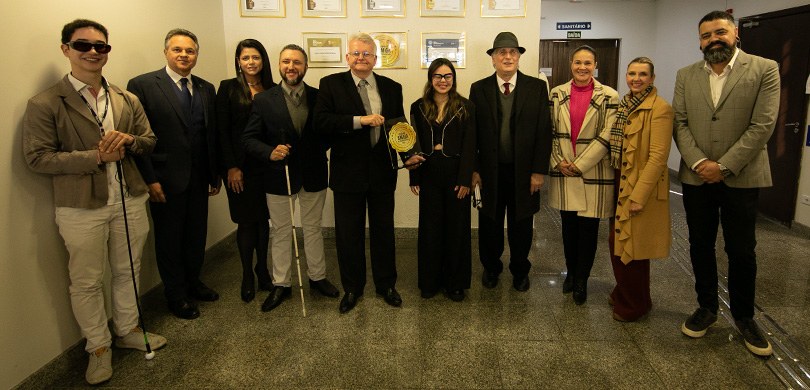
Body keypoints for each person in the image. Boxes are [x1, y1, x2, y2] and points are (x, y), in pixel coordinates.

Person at [22, 19, 167, 384]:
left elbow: (149, 140)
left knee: (128, 269)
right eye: (83, 45)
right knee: (86, 280)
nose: (92, 52)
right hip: (81, 205)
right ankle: (98, 348)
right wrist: (96, 158)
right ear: (65, 49)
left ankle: (128, 329)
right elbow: (37, 158)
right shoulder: (45, 103)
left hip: (129, 197)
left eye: (100, 46)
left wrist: (129, 141)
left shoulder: (124, 98)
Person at [673, 10, 779, 357]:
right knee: (700, 244)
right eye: (706, 35)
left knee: (741, 249)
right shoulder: (686, 75)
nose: (713, 40)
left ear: (735, 34)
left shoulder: (764, 69)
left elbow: (763, 125)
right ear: (700, 40)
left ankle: (745, 317)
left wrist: (725, 166)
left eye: (720, 32)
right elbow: (681, 123)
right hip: (696, 176)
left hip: (742, 176)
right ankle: (706, 308)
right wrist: (702, 163)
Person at [127, 28, 222, 320]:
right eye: (178, 50)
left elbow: (210, 135)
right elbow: (137, 137)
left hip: (198, 176)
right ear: (166, 51)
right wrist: (150, 179)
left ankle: (193, 282)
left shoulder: (206, 88)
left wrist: (213, 174)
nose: (184, 55)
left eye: (190, 51)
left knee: (196, 235)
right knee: (169, 239)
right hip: (164, 179)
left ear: (196, 54)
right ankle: (176, 295)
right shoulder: (142, 86)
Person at [243, 44, 340, 312]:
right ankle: (281, 283)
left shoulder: (320, 97)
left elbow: (329, 131)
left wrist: (316, 147)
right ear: (278, 65)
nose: (291, 67)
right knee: (282, 231)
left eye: (297, 62)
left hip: (313, 174)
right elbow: (249, 138)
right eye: (286, 61)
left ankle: (318, 277)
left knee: (313, 229)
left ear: (305, 66)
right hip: (278, 177)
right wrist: (270, 152)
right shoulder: (264, 100)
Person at [314, 33, 405, 313]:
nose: (361, 58)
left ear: (375, 59)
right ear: (347, 58)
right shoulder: (330, 85)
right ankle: (353, 288)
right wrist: (359, 121)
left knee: (383, 232)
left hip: (382, 172)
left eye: (367, 54)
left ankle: (386, 285)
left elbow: (398, 125)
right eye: (356, 54)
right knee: (348, 234)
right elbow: (321, 122)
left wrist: (410, 154)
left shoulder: (392, 86)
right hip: (347, 173)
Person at [469, 32, 552, 293]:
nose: (507, 57)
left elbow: (543, 131)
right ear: (493, 59)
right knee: (490, 224)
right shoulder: (478, 88)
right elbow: (472, 133)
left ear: (518, 57)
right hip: (489, 172)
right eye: (502, 53)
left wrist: (539, 171)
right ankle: (491, 268)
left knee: (521, 224)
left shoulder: (536, 88)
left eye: (513, 52)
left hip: (525, 173)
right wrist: (473, 169)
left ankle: (519, 270)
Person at [548, 45, 619, 305]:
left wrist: (580, 164)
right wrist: (558, 162)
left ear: (595, 65)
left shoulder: (610, 96)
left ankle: (581, 280)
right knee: (568, 229)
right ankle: (571, 273)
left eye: (587, 63)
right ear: (571, 65)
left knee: (588, 231)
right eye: (578, 62)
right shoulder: (557, 93)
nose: (582, 67)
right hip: (564, 170)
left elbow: (608, 135)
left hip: (594, 172)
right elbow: (550, 132)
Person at [404, 58, 476, 302]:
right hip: (429, 172)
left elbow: (470, 145)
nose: (443, 81)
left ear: (453, 79)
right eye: (437, 76)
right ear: (430, 78)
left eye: (447, 76)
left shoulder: (466, 106)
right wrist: (414, 174)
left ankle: (455, 283)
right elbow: (412, 143)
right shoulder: (418, 106)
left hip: (456, 172)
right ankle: (430, 281)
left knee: (457, 229)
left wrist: (466, 179)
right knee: (430, 229)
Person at [608, 57, 673, 321]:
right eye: (632, 73)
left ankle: (635, 304)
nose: (636, 78)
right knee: (620, 242)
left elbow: (658, 156)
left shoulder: (660, 109)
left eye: (643, 74)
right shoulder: (625, 104)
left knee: (631, 247)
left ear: (652, 78)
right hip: (620, 179)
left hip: (637, 186)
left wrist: (638, 196)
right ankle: (626, 292)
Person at [215, 39, 274, 303]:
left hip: (267, 166)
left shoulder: (272, 89)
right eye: (245, 57)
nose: (251, 62)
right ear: (238, 61)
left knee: (264, 221)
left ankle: (263, 270)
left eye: (256, 57)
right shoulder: (228, 88)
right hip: (240, 169)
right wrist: (231, 166)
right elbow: (221, 131)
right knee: (246, 221)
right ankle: (247, 275)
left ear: (263, 61)